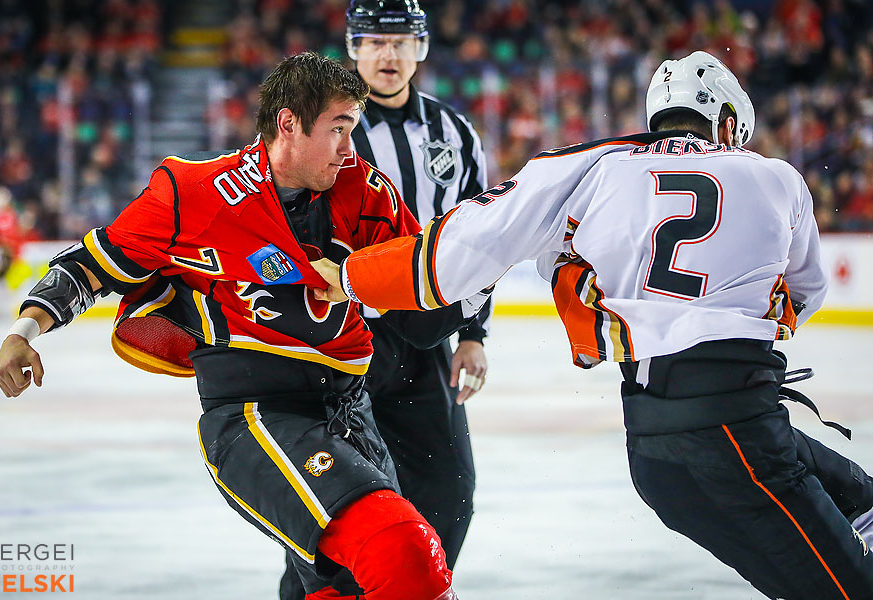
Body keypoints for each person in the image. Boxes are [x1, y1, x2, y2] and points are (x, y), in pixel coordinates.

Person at [312, 50, 873, 598]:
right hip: (741, 426)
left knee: (857, 503)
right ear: (728, 123)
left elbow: (460, 250)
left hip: (656, 447)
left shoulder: (596, 166)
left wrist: (355, 276)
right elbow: (806, 293)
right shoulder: (777, 179)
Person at [0, 52, 489, 600]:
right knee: (402, 551)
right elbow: (90, 264)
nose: (351, 148)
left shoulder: (368, 192)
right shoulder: (194, 193)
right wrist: (24, 331)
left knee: (345, 586)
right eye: (339, 129)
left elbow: (421, 311)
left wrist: (476, 276)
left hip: (351, 412)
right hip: (255, 415)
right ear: (287, 124)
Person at [280, 3, 489, 596]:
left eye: (400, 41)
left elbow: (479, 238)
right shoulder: (319, 130)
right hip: (341, 339)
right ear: (352, 49)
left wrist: (472, 332)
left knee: (448, 492)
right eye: (373, 41)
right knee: (332, 505)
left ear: (421, 48)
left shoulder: (454, 132)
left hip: (424, 339)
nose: (388, 54)